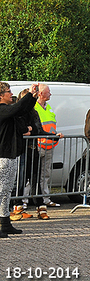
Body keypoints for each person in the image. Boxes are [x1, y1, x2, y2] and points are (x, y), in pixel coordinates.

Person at [0, 82, 38, 237]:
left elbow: (22, 109)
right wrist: (28, 94)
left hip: (12, 154)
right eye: (8, 92)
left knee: (7, 191)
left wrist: (33, 98)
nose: (11, 94)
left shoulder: (9, 111)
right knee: (1, 191)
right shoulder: (2, 110)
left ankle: (5, 223)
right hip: (3, 156)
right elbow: (16, 108)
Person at [15, 89, 45, 217]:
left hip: (33, 149)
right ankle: (17, 207)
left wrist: (53, 136)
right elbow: (18, 131)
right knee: (20, 181)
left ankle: (40, 207)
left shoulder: (34, 113)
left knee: (35, 180)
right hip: (20, 151)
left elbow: (38, 130)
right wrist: (26, 131)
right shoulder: (17, 114)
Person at [33, 84, 63, 207]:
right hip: (38, 145)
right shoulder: (33, 107)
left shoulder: (48, 107)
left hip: (49, 145)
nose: (50, 94)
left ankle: (45, 199)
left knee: (45, 174)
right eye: (48, 92)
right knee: (31, 174)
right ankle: (24, 201)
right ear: (40, 94)